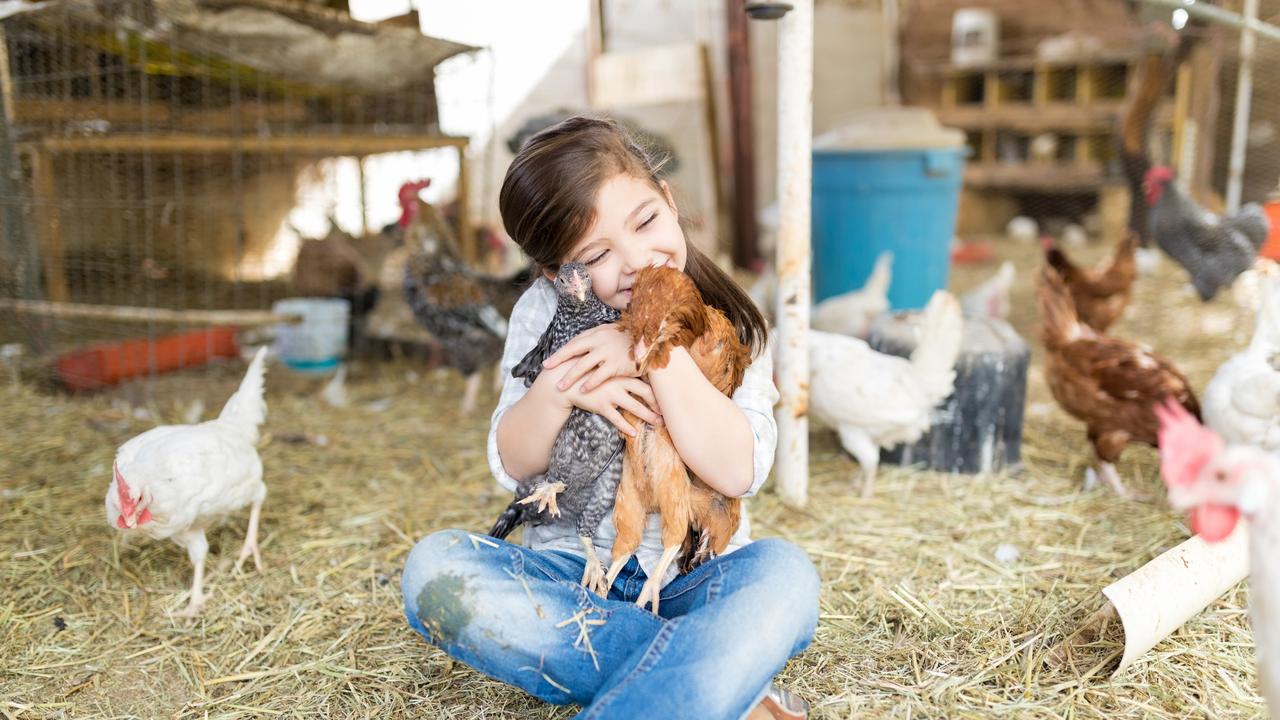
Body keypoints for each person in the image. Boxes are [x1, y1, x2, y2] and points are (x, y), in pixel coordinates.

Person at [401, 115, 819, 719]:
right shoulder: (542, 313)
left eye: (646, 221)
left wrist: (653, 348)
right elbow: (512, 463)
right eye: (597, 254)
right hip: (573, 580)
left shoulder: (732, 320)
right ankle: (725, 690)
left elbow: (736, 473)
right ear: (557, 272)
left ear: (669, 200)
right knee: (434, 570)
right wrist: (557, 389)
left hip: (693, 581)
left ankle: (683, 678)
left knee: (786, 577)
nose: (635, 260)